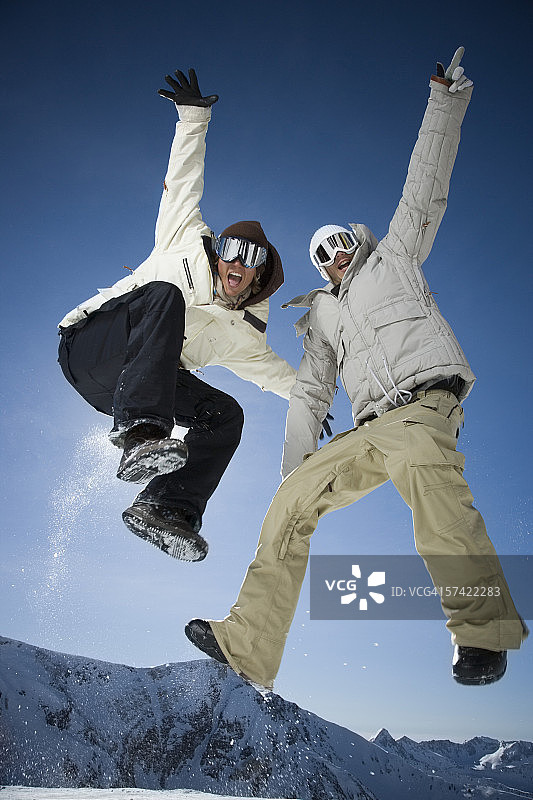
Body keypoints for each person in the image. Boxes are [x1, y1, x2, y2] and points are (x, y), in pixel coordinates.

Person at [185, 49, 527, 686]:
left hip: (424, 406)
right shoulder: (322, 318)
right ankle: (248, 647)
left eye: (340, 241)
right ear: (318, 269)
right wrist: (296, 475)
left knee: (437, 504)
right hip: (369, 428)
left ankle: (483, 635)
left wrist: (444, 103)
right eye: (322, 253)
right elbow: (311, 395)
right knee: (290, 506)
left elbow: (424, 188)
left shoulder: (395, 259)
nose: (334, 254)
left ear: (357, 242)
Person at [58, 68, 296, 563]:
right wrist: (194, 117)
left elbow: (279, 377)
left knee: (226, 415)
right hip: (91, 348)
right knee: (164, 294)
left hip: (131, 389)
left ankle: (166, 507)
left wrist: (320, 397)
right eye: (232, 250)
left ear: (261, 275)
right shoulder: (184, 239)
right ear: (219, 250)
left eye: (251, 259)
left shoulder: (245, 336)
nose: (236, 263)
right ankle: (143, 437)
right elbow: (184, 180)